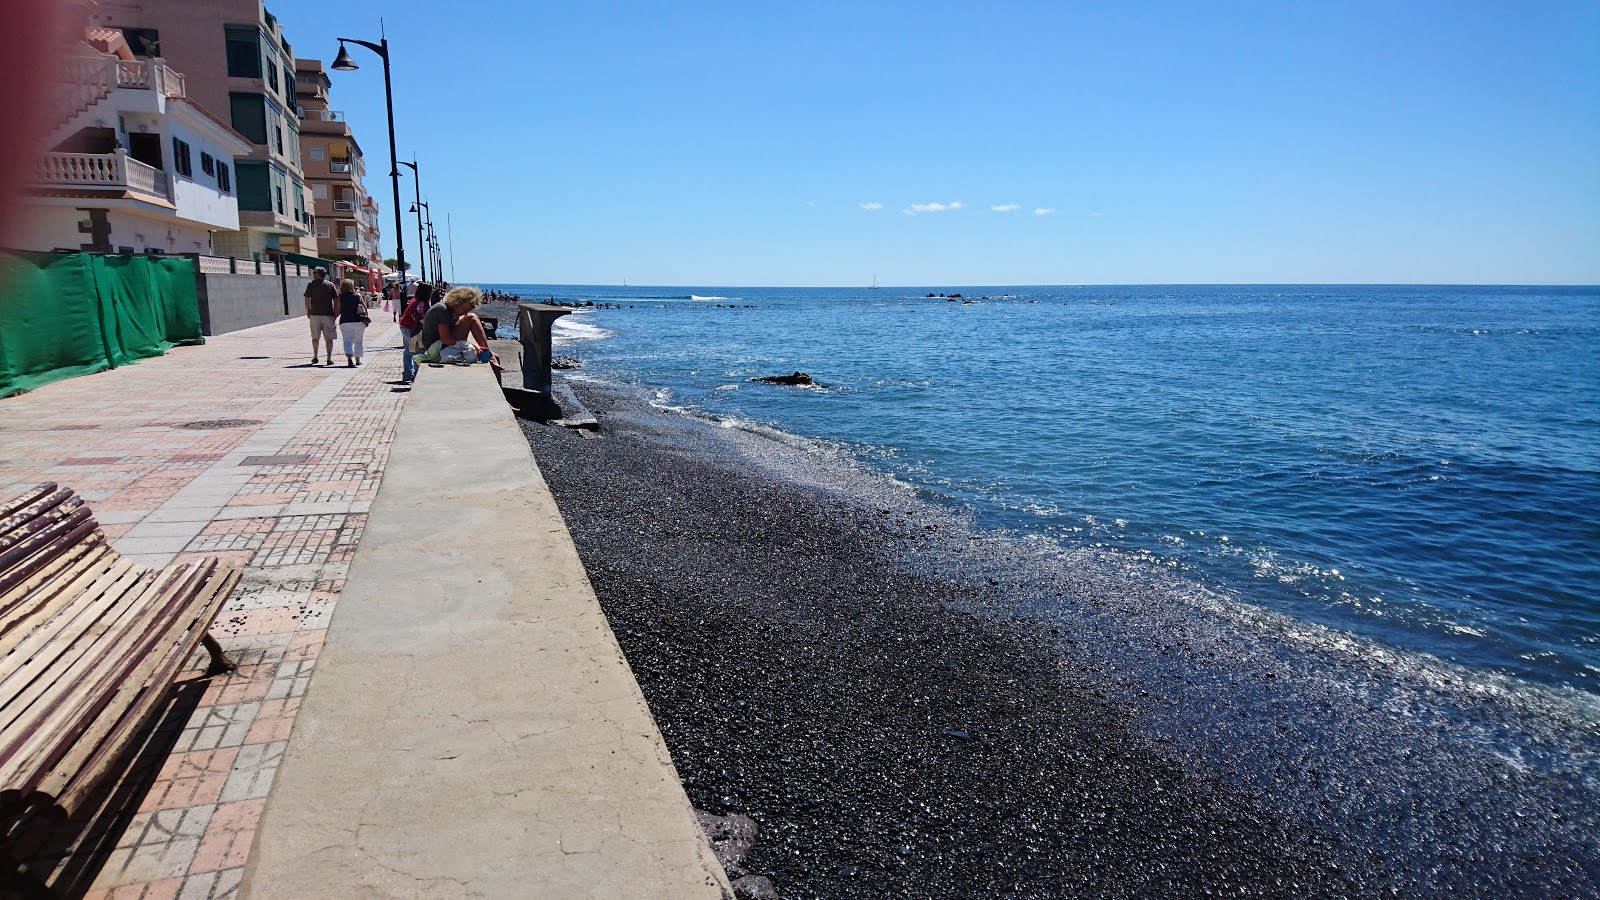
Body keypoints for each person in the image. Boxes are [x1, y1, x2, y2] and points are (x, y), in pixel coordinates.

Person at [414, 286, 501, 377]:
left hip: (439, 346)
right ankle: (488, 354)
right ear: (457, 302)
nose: (465, 313)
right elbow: (445, 339)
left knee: (497, 357)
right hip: (436, 349)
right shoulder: (442, 310)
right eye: (464, 310)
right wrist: (473, 345)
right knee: (471, 318)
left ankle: (500, 389)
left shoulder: (450, 311)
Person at [397, 282, 434, 383]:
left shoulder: (416, 300)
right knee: (413, 351)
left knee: (411, 351)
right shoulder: (421, 303)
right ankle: (413, 374)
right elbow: (420, 318)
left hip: (408, 327)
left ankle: (410, 373)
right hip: (411, 328)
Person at [303, 266, 338, 366]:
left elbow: (307, 299)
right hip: (328, 315)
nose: (313, 274)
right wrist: (335, 313)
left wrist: (308, 311)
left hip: (315, 314)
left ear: (319, 274)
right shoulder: (330, 285)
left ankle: (315, 356)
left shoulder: (311, 285)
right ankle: (328, 358)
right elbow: (336, 300)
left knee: (315, 336)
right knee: (328, 337)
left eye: (315, 272)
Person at [337, 277, 367, 367]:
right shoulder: (358, 296)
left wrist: (333, 318)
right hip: (358, 321)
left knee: (347, 340)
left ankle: (349, 359)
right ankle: (358, 360)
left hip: (345, 321)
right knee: (358, 340)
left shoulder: (340, 297)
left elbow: (337, 310)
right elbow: (364, 308)